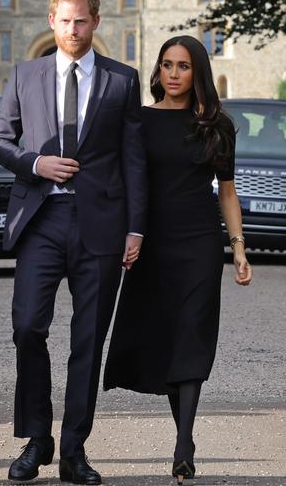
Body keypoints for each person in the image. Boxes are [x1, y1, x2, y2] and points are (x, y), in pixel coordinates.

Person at [0, 0, 147, 485]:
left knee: (88, 340)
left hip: (101, 226)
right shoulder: (25, 75)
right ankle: (38, 438)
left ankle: (75, 449)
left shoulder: (123, 81)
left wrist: (137, 228)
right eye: (64, 21)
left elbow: (134, 161)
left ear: (95, 23)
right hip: (41, 221)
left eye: (81, 21)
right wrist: (36, 162)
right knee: (28, 328)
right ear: (51, 22)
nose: (73, 30)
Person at [103, 35, 253, 484]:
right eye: (167, 65)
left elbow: (227, 191)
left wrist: (239, 248)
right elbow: (126, 183)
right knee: (165, 338)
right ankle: (182, 435)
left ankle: (183, 442)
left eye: (183, 66)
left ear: (197, 72)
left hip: (199, 245)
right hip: (152, 244)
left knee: (192, 334)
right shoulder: (140, 121)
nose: (173, 74)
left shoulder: (217, 125)